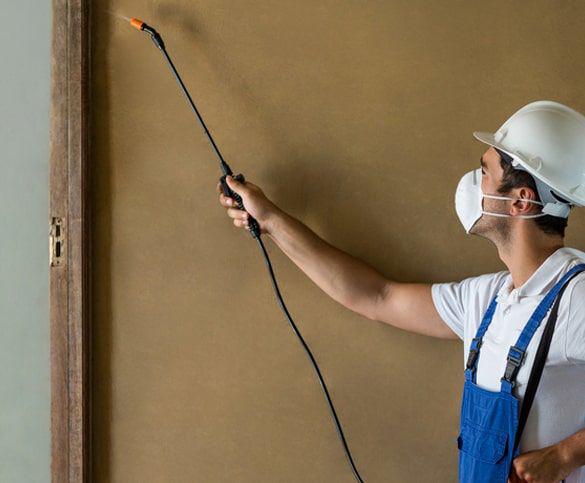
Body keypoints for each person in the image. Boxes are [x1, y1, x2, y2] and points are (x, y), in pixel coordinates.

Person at [216, 100, 585, 483]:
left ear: (520, 201)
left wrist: (564, 456)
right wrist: (270, 219)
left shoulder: (575, 298)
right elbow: (377, 297)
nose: (474, 182)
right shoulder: (489, 299)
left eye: (485, 171)